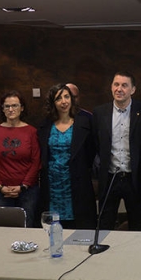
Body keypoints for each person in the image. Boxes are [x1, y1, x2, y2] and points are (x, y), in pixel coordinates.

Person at [92, 71, 141, 230]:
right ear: (111, 87)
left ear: (133, 89)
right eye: (116, 84)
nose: (119, 89)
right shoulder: (100, 113)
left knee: (136, 223)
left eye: (124, 85)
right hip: (110, 177)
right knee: (106, 223)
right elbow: (96, 143)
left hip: (134, 178)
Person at [38, 84, 97, 229]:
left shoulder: (84, 123)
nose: (64, 101)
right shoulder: (45, 125)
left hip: (77, 181)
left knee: (80, 224)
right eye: (59, 98)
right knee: (53, 226)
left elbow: (91, 152)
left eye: (66, 96)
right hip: (52, 183)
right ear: (53, 102)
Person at [0, 90, 40, 227]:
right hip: (0, 192)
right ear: (2, 109)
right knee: (2, 229)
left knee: (26, 227)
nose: (11, 109)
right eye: (7, 106)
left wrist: (23, 186)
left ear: (22, 108)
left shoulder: (31, 132)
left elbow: (36, 162)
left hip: (27, 191)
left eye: (15, 105)